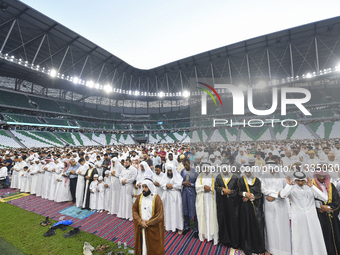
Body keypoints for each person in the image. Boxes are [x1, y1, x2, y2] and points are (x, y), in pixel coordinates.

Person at [280, 172, 328, 255]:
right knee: (300, 240)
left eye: (302, 180)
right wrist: (288, 185)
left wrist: (312, 186)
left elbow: (325, 198)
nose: (300, 182)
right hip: (299, 219)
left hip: (312, 218)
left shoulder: (310, 188)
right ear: (295, 180)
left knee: (316, 239)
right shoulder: (291, 188)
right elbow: (282, 195)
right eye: (298, 180)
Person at [261, 163, 291, 255]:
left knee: (281, 226)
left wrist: (276, 196)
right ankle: (270, 249)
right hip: (268, 203)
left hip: (281, 204)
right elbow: (263, 189)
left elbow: (287, 189)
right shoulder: (264, 176)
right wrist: (275, 194)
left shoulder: (282, 177)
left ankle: (283, 250)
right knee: (270, 226)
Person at [132, 179, 165, 255]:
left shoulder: (156, 198)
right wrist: (140, 222)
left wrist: (148, 223)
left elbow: (159, 215)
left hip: (152, 228)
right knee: (142, 246)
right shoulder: (139, 197)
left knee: (153, 247)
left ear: (150, 187)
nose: (143, 189)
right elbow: (134, 210)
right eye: (143, 187)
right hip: (141, 227)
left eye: (146, 187)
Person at [238, 165, 265, 255]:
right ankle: (247, 246)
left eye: (249, 172)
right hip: (244, 207)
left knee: (256, 225)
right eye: (246, 172)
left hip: (255, 207)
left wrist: (250, 197)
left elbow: (259, 193)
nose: (247, 174)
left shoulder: (257, 180)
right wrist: (245, 194)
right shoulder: (241, 180)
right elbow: (238, 191)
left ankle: (256, 246)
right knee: (246, 225)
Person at [313, 170, 340, 255]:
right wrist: (320, 207)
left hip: (332, 217)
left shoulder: (331, 185)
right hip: (319, 218)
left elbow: (337, 201)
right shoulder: (312, 186)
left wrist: (328, 208)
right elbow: (309, 201)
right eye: (319, 176)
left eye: (323, 176)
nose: (321, 178)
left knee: (335, 238)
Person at [215, 163, 240, 248]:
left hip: (232, 203)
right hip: (222, 203)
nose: (224, 171)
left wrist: (230, 192)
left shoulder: (235, 177)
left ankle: (234, 241)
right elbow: (216, 187)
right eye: (223, 170)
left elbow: (238, 189)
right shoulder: (218, 177)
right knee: (223, 220)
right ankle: (224, 240)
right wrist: (222, 190)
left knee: (233, 222)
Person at [195, 162, 219, 245]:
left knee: (211, 216)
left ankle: (212, 235)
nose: (206, 170)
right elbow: (196, 187)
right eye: (204, 168)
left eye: (207, 168)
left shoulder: (214, 176)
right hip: (203, 200)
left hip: (211, 200)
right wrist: (203, 188)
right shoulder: (200, 176)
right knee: (203, 216)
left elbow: (217, 187)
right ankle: (204, 234)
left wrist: (210, 188)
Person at [160, 164, 183, 233]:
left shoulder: (178, 176)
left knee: (176, 211)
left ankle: (179, 227)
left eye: (170, 171)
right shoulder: (165, 176)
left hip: (175, 196)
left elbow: (179, 185)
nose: (169, 172)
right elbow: (161, 183)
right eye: (168, 171)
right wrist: (166, 185)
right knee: (168, 210)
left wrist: (172, 186)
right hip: (167, 196)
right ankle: (169, 226)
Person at [180, 158, 199, 237]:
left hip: (192, 193)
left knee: (194, 210)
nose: (185, 166)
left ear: (189, 163)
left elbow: (198, 183)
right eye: (184, 165)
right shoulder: (182, 171)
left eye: (186, 165)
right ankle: (187, 227)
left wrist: (190, 184)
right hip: (184, 192)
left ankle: (196, 229)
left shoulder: (195, 172)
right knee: (185, 209)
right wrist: (183, 182)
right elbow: (179, 180)